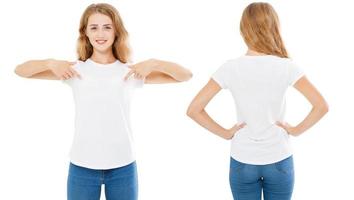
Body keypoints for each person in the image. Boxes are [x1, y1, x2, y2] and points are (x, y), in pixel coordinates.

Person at [15, 3, 192, 200]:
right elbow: (21, 71)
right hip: (82, 166)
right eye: (94, 27)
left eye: (107, 27)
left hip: (123, 167)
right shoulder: (74, 70)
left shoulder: (131, 72)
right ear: (85, 33)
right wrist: (50, 63)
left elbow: (185, 76)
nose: (101, 33)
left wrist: (155, 63)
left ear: (116, 31)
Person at [186, 2, 328, 200]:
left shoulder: (230, 68)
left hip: (243, 160)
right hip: (279, 158)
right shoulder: (287, 67)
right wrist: (295, 130)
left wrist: (226, 134)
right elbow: (321, 106)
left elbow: (194, 109)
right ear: (274, 27)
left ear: (244, 30)